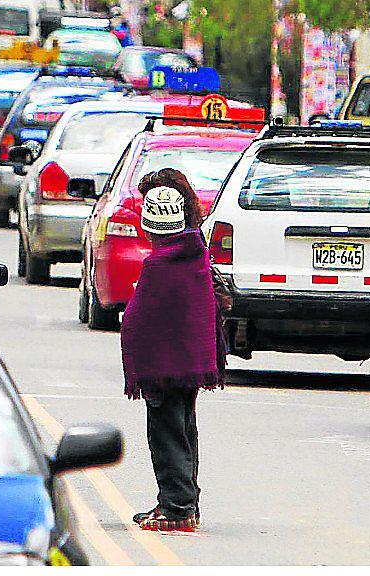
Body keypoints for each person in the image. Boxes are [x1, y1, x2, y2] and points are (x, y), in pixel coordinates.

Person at [119, 169, 225, 533]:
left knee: (167, 436)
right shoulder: (195, 254)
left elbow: (144, 320)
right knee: (183, 431)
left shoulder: (160, 265)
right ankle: (181, 503)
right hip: (190, 363)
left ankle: (177, 509)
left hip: (165, 368)